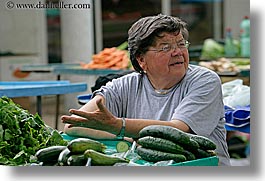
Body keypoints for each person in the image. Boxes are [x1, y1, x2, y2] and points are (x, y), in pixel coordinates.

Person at [61, 14, 231, 166]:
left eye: (181, 44)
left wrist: (118, 125)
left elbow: (177, 129)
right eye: (165, 47)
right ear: (141, 59)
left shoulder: (205, 81)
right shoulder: (124, 85)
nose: (178, 52)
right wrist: (123, 136)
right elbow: (73, 124)